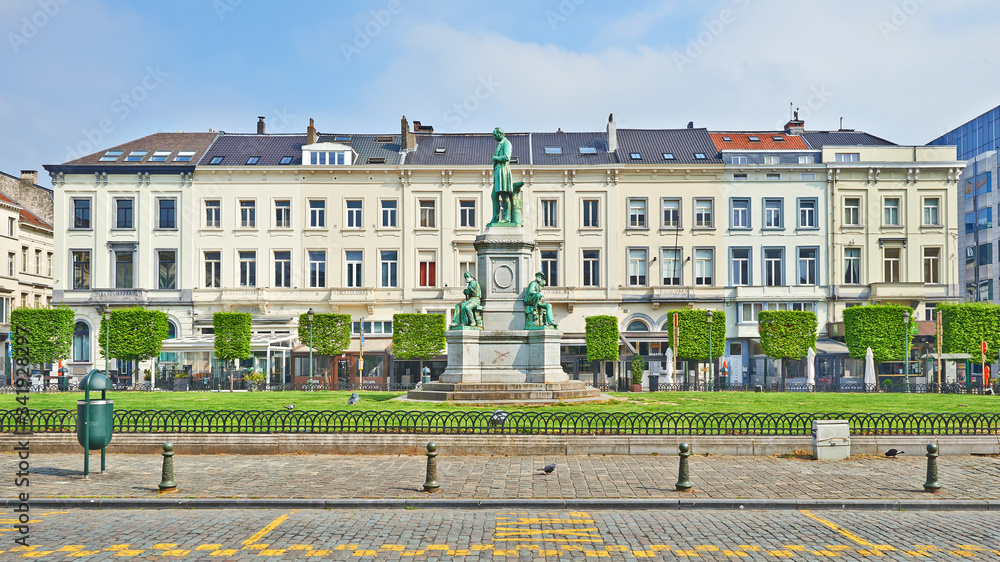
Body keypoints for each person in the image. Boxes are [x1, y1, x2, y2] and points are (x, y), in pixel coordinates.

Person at [491, 127, 513, 223]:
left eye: (495, 135)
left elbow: (507, 157)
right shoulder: (500, 144)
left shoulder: (506, 143)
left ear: (500, 134)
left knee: (504, 195)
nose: (494, 138)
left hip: (503, 172)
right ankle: (495, 218)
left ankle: (507, 218)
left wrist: (495, 158)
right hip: (498, 173)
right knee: (494, 196)